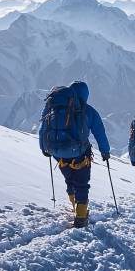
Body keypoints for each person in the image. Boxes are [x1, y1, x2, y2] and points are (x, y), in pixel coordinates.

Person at [39, 81, 110, 228]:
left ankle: (74, 206)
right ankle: (81, 216)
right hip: (79, 154)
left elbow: (42, 128)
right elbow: (100, 133)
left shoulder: (54, 106)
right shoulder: (88, 111)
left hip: (58, 153)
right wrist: (105, 151)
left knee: (70, 180)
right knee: (81, 184)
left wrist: (44, 148)